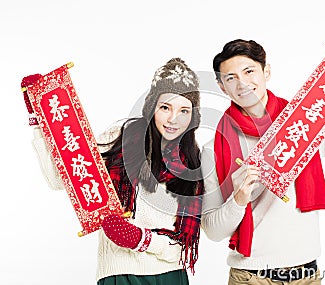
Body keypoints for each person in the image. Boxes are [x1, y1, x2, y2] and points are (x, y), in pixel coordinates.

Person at [200, 39, 325, 285]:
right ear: (222, 86)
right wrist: (239, 198)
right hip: (250, 277)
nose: (242, 83)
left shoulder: (305, 123)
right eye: (231, 78)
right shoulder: (214, 149)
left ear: (266, 71)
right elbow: (213, 231)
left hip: (306, 276)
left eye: (249, 71)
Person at [22, 58, 204, 285]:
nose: (173, 119)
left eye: (184, 110)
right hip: (117, 274)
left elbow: (183, 246)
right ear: (152, 107)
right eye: (165, 107)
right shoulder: (120, 138)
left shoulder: (193, 165)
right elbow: (61, 177)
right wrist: (41, 121)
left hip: (169, 276)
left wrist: (141, 239)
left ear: (193, 116)